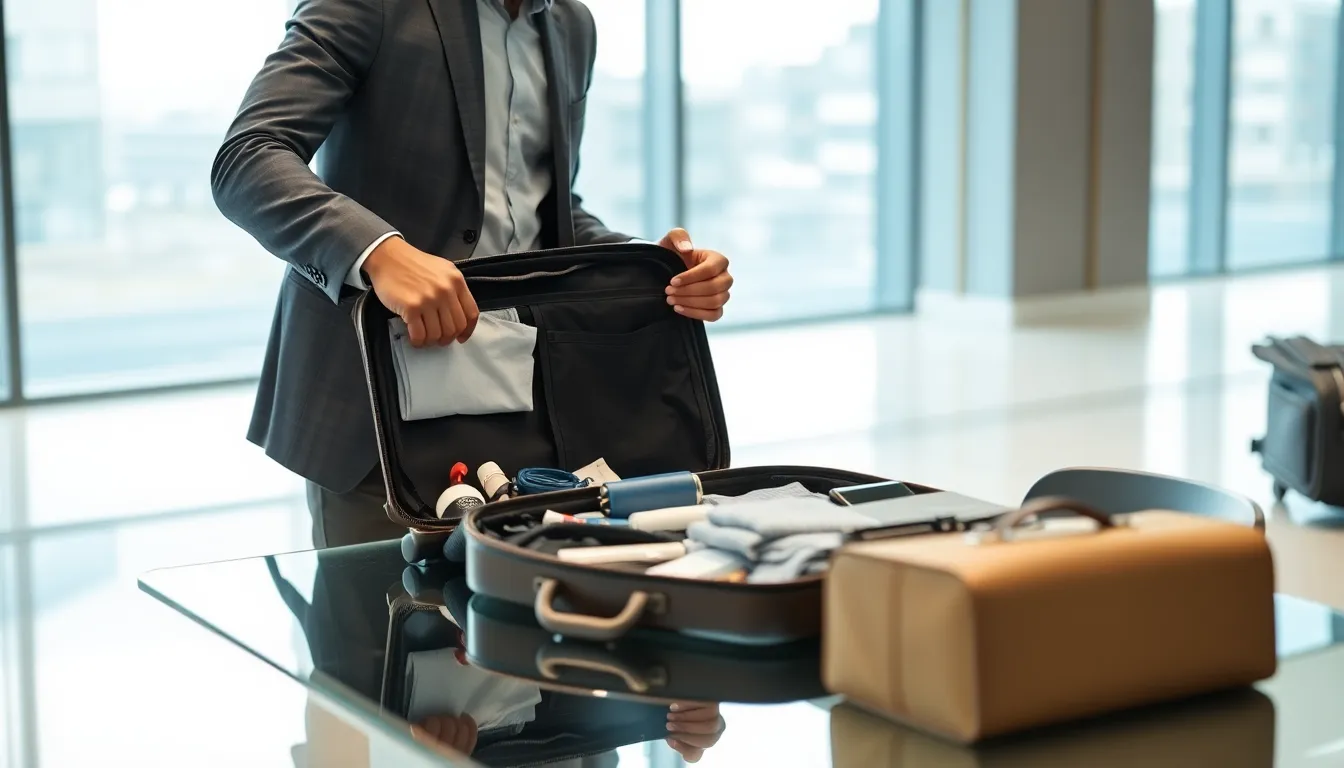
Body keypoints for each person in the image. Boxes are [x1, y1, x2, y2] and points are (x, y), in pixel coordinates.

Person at [212, 0, 735, 548]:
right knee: (378, 627)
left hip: (523, 397)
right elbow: (248, 158)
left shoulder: (571, 25)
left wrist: (646, 265)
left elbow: (543, 211)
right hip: (372, 413)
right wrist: (379, 252)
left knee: (510, 618)